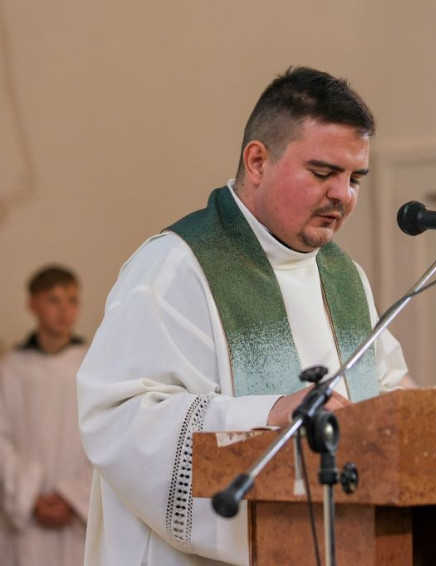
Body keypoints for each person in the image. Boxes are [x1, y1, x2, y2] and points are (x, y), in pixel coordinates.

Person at [77, 67, 408, 565]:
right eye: (323, 173)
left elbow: (385, 391)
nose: (343, 195)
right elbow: (117, 419)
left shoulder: (344, 278)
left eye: (354, 178)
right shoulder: (177, 266)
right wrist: (268, 412)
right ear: (257, 161)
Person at [0, 265, 92, 565]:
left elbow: (107, 437)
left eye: (72, 300)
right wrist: (28, 496)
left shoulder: (91, 367)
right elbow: (2, 438)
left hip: (77, 517)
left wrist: (75, 496)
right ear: (32, 304)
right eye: (53, 300)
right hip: (28, 515)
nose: (65, 310)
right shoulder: (11, 369)